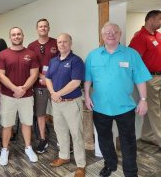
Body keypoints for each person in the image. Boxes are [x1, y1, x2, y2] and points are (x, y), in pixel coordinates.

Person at [84, 22, 152, 177]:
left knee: (128, 142)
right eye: (107, 32)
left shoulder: (131, 54)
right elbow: (88, 78)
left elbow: (140, 78)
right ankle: (110, 164)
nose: (111, 34)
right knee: (104, 139)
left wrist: (143, 99)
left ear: (120, 34)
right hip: (100, 107)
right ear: (102, 36)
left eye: (115, 31)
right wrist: (87, 95)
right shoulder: (93, 55)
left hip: (125, 107)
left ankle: (130, 172)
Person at [0, 27, 39, 166]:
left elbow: (34, 74)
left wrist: (24, 88)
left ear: (23, 35)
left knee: (27, 123)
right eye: (13, 35)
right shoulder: (3, 54)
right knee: (7, 124)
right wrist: (15, 88)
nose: (16, 36)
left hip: (26, 96)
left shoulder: (31, 54)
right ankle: (4, 149)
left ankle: (28, 147)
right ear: (10, 37)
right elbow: (0, 75)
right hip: (8, 96)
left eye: (18, 34)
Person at [45, 33, 86, 177]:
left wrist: (58, 94)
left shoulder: (76, 61)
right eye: (59, 42)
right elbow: (47, 78)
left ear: (70, 43)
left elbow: (75, 82)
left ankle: (81, 165)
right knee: (60, 131)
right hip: (57, 103)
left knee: (76, 134)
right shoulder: (53, 61)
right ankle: (64, 156)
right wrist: (52, 93)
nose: (62, 44)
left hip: (71, 103)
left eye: (65, 42)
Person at [129, 10, 161, 148]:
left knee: (155, 109)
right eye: (159, 20)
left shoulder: (158, 35)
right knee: (155, 110)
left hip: (159, 76)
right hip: (150, 78)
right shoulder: (140, 37)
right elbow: (133, 60)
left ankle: (148, 135)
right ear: (150, 20)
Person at [28, 18, 57, 153]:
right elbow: (29, 66)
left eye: (45, 26)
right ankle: (43, 139)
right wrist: (41, 77)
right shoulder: (31, 46)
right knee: (40, 113)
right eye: (40, 26)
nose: (43, 28)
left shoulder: (56, 43)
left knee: (59, 114)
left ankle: (62, 141)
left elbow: (61, 62)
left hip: (55, 85)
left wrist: (49, 78)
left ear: (48, 28)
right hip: (39, 85)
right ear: (37, 29)